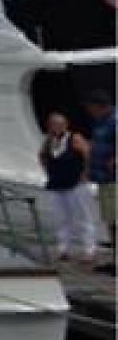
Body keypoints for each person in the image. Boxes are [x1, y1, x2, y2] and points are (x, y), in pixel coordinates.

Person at [38, 112, 97, 261]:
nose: (56, 127)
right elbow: (42, 155)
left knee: (83, 217)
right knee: (61, 218)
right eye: (53, 125)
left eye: (59, 124)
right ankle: (64, 249)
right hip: (57, 183)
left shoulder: (74, 138)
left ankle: (89, 249)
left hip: (76, 183)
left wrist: (85, 173)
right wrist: (48, 171)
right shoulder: (49, 141)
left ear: (65, 125)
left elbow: (88, 155)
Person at [84, 89, 116, 273]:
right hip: (103, 177)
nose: (90, 112)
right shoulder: (100, 122)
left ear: (99, 106)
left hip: (114, 178)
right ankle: (115, 259)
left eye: (91, 108)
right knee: (110, 220)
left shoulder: (114, 121)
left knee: (116, 219)